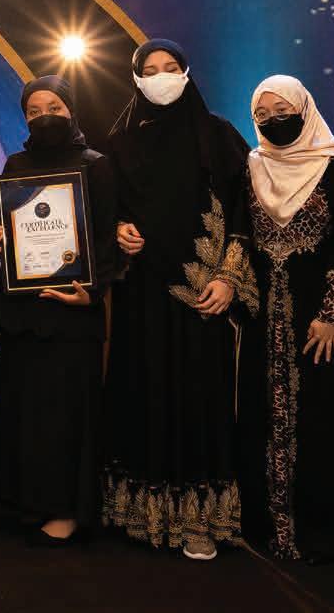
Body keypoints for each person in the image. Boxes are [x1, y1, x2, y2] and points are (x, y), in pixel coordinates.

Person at [100, 39, 257, 561]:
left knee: (199, 402)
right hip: (142, 295)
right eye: (150, 70)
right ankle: (142, 518)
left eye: (171, 67)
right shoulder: (119, 144)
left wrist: (229, 278)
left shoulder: (218, 135)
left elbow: (245, 211)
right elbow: (105, 210)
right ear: (136, 79)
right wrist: (117, 229)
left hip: (203, 298)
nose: (161, 77)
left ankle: (199, 523)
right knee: (143, 394)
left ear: (187, 73)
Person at [234, 76, 334, 564]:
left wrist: (333, 314)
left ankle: (321, 532)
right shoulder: (251, 165)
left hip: (319, 319)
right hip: (261, 318)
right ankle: (266, 527)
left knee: (323, 417)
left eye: (282, 111)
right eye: (262, 115)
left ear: (304, 109)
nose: (273, 121)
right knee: (260, 417)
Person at [0, 76, 118, 547]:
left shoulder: (96, 166)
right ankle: (24, 503)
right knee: (23, 410)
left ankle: (65, 509)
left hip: (71, 314)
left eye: (55, 107)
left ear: (71, 110)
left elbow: (106, 240)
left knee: (65, 414)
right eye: (34, 111)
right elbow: (11, 236)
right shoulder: (16, 166)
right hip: (22, 314)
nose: (45, 117)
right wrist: (3, 241)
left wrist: (92, 293)